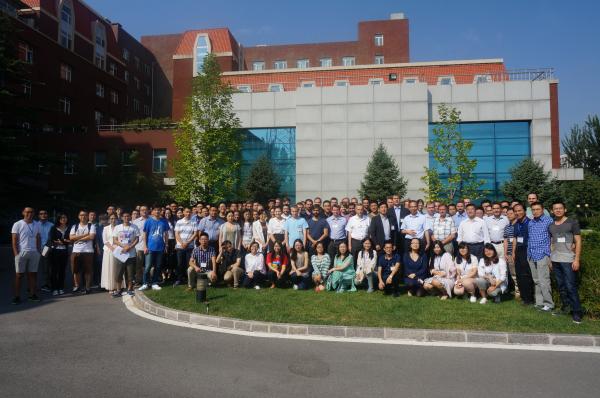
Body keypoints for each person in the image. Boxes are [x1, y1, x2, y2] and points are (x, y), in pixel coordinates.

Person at [549, 202, 583, 323]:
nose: (558, 210)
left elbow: (578, 241)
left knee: (570, 286)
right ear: (552, 211)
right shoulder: (551, 225)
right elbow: (551, 242)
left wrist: (577, 259)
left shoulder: (572, 223)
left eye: (560, 208)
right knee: (561, 286)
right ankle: (565, 308)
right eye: (555, 209)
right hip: (555, 260)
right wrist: (550, 259)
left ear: (565, 209)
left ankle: (577, 312)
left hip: (568, 260)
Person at [527, 202, 554, 312]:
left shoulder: (549, 221)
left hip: (543, 254)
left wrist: (550, 255)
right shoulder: (531, 222)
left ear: (543, 210)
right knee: (536, 280)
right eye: (533, 209)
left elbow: (553, 238)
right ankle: (539, 302)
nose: (535, 211)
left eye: (538, 209)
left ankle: (549, 304)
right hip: (531, 254)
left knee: (544, 281)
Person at [11, 207, 41, 304]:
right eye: (27, 212)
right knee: (19, 275)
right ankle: (16, 296)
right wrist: (16, 254)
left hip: (34, 252)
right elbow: (14, 240)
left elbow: (38, 237)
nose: (30, 213)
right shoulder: (17, 224)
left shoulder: (37, 224)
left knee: (33, 274)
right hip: (21, 252)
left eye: (32, 212)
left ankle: (32, 295)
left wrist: (38, 251)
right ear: (23, 212)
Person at [139, 206, 170, 291]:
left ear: (161, 212)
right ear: (152, 212)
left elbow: (166, 234)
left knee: (158, 266)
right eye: (155, 210)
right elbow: (144, 234)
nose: (157, 212)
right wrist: (145, 246)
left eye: (159, 210)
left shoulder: (164, 221)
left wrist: (166, 245)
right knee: (148, 266)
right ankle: (145, 283)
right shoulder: (148, 221)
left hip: (160, 247)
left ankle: (154, 283)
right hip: (150, 247)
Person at [512, 203, 535, 305]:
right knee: (519, 274)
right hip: (518, 251)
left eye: (520, 210)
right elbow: (515, 239)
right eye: (516, 211)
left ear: (525, 211)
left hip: (527, 250)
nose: (518, 213)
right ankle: (523, 296)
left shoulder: (530, 223)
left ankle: (529, 298)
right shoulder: (516, 224)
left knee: (526, 275)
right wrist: (513, 252)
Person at [112, 212, 139, 296]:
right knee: (118, 273)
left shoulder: (134, 227)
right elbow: (114, 240)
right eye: (124, 216)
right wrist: (123, 246)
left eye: (128, 216)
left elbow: (137, 239)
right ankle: (118, 290)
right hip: (120, 253)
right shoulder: (117, 227)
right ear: (122, 218)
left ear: (130, 217)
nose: (126, 217)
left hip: (131, 254)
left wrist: (129, 247)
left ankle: (130, 289)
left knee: (130, 273)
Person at [70, 210, 96, 295]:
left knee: (88, 270)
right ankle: (77, 286)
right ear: (78, 216)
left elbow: (91, 236)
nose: (83, 217)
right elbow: (71, 237)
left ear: (87, 216)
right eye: (81, 215)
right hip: (76, 251)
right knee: (75, 270)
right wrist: (85, 235)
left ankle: (87, 287)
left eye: (85, 215)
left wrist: (78, 239)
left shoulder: (91, 226)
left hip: (88, 251)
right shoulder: (75, 226)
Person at [173, 207, 197, 286]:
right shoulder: (179, 222)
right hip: (180, 246)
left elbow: (195, 233)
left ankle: (188, 279)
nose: (188, 213)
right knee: (180, 264)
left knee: (189, 263)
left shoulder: (194, 222)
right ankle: (179, 279)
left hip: (190, 246)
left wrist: (187, 242)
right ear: (183, 212)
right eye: (186, 212)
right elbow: (176, 234)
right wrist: (182, 243)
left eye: (189, 212)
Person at [49, 213, 71, 296]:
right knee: (54, 270)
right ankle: (54, 288)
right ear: (58, 219)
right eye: (61, 218)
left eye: (65, 217)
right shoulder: (54, 228)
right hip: (55, 251)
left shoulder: (69, 228)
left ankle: (61, 287)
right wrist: (64, 241)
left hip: (64, 252)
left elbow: (70, 240)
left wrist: (62, 241)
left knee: (62, 270)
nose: (63, 219)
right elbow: (52, 239)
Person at [100, 214, 119, 295]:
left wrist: (117, 247)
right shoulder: (105, 228)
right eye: (111, 218)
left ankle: (116, 286)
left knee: (117, 268)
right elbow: (105, 241)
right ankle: (110, 287)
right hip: (108, 251)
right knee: (109, 268)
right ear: (109, 220)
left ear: (117, 219)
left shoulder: (120, 228)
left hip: (118, 250)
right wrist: (112, 248)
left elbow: (121, 239)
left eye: (114, 218)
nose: (113, 220)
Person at [36, 209, 54, 292]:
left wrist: (47, 248)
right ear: (38, 215)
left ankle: (47, 284)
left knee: (47, 267)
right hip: (36, 248)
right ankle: (32, 286)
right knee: (35, 268)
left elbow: (52, 238)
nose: (43, 215)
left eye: (45, 213)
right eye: (41, 213)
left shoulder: (51, 225)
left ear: (47, 215)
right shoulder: (35, 225)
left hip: (47, 248)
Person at [503, 207, 518, 295]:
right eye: (507, 214)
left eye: (511, 213)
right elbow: (505, 240)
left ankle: (520, 291)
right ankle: (516, 291)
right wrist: (505, 253)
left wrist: (514, 252)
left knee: (518, 273)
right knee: (512, 273)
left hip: (517, 253)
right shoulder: (507, 227)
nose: (509, 215)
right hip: (508, 253)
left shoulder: (518, 225)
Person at [133, 205, 148, 287]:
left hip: (150, 246)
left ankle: (147, 280)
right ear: (140, 212)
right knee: (138, 266)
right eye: (142, 210)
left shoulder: (152, 220)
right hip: (139, 246)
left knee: (148, 265)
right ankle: (138, 281)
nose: (144, 211)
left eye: (146, 210)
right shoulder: (135, 222)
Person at [163, 208, 177, 282]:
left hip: (172, 241)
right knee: (163, 258)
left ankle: (170, 274)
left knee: (171, 259)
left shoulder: (174, 222)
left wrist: (175, 243)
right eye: (166, 213)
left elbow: (175, 234)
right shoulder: (161, 221)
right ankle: (163, 274)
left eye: (169, 213)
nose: (167, 214)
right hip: (163, 241)